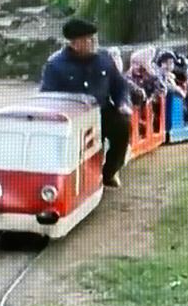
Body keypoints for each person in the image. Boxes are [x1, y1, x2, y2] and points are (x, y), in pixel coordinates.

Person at [39, 18, 132, 188]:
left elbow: (120, 84)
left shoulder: (104, 59)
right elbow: (48, 97)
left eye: (94, 38)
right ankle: (69, 183)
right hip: (73, 119)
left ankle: (110, 171)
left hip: (102, 111)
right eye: (89, 40)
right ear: (75, 44)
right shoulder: (55, 65)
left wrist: (122, 103)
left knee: (123, 125)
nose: (94, 43)